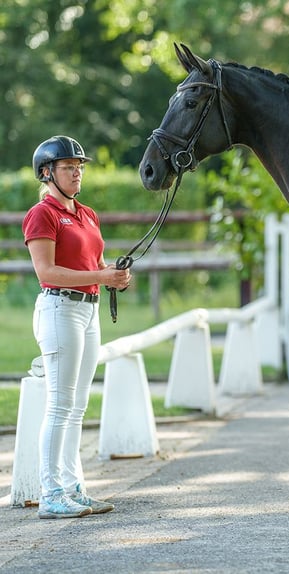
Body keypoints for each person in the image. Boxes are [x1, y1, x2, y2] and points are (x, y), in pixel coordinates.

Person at [22, 135, 131, 519]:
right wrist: (101, 275)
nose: (77, 173)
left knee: (77, 406)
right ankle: (50, 493)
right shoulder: (43, 214)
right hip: (59, 310)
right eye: (69, 167)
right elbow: (46, 271)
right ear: (47, 173)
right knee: (59, 405)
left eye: (79, 167)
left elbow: (93, 263)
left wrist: (112, 277)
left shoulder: (87, 214)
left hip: (88, 311)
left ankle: (72, 487)